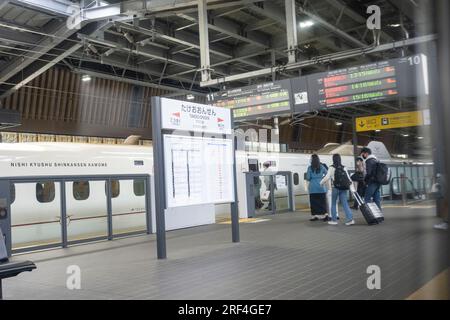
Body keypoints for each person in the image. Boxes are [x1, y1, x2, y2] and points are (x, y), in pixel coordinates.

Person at [320, 154, 355, 226]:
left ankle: (334, 220)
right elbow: (348, 178)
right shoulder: (344, 167)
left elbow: (327, 177)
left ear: (333, 159)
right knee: (345, 204)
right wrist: (352, 187)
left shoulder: (331, 167)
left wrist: (321, 183)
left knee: (333, 203)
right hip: (343, 188)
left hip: (335, 188)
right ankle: (350, 219)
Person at [305, 154, 328, 221]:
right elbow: (327, 174)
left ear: (311, 160)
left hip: (313, 188)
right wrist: (322, 178)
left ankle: (314, 216)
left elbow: (308, 178)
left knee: (313, 203)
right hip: (321, 187)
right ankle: (325, 215)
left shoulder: (310, 168)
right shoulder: (322, 167)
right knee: (322, 202)